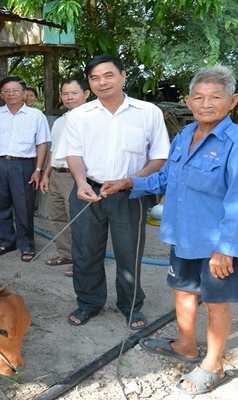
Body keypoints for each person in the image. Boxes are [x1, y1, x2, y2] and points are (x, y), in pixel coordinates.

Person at [102, 64, 238, 395]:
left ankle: (213, 365)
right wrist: (130, 182)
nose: (206, 104)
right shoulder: (186, 135)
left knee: (216, 303)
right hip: (183, 234)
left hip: (217, 242)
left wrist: (225, 249)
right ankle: (186, 346)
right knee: (183, 291)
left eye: (215, 97)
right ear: (189, 102)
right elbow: (167, 179)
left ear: (232, 101)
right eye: (199, 97)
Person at [54, 55, 170, 330]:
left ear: (123, 75)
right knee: (85, 252)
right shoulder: (80, 115)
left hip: (130, 194)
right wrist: (80, 182)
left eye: (108, 75)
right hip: (88, 191)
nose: (102, 82)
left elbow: (159, 157)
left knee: (129, 253)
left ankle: (131, 307)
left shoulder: (147, 112)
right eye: (95, 78)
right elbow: (74, 153)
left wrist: (130, 181)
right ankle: (89, 303)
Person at [0, 76, 51, 262]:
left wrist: (38, 169)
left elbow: (42, 144)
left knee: (24, 206)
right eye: (6, 91)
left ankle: (27, 245)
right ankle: (6, 241)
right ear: (2, 94)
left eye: (15, 90)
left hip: (23, 164)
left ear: (24, 93)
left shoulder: (36, 116)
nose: (11, 94)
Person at [40, 78, 90, 276]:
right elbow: (53, 150)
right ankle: (65, 254)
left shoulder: (91, 119)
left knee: (80, 220)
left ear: (86, 94)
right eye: (65, 93)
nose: (69, 97)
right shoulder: (60, 121)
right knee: (57, 217)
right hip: (56, 174)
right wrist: (46, 174)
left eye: (74, 93)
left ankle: (82, 261)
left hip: (76, 176)